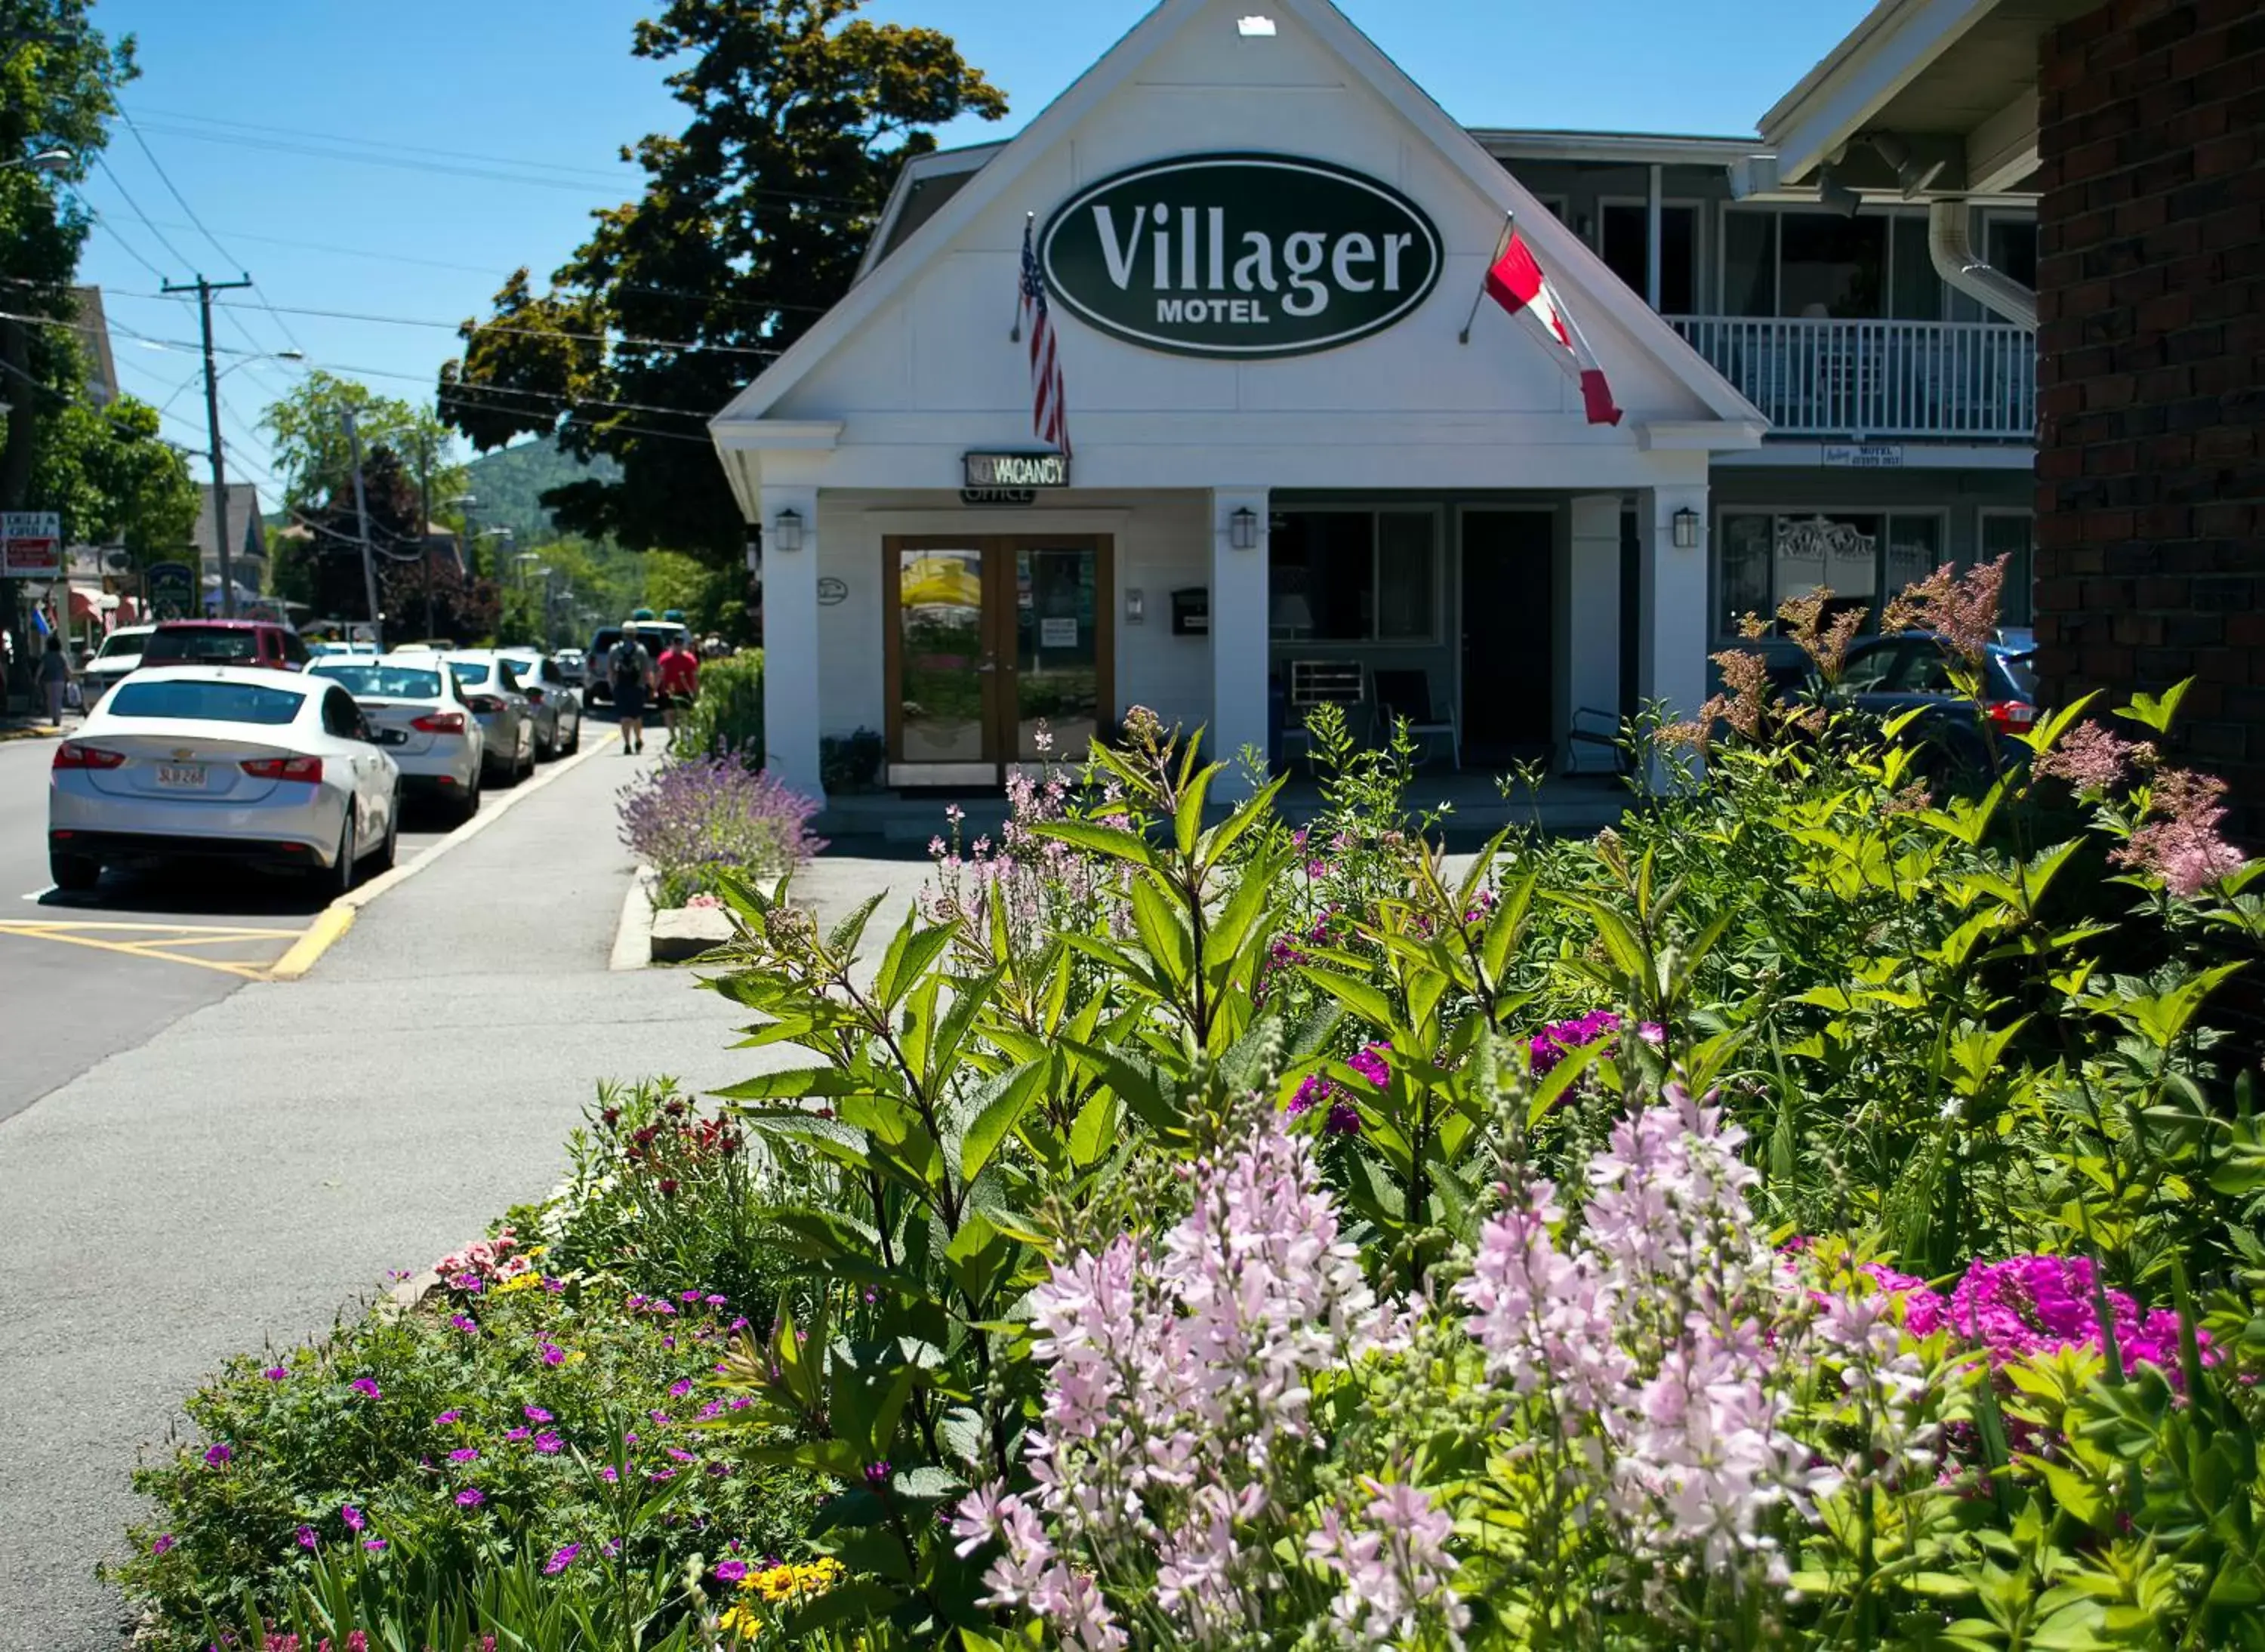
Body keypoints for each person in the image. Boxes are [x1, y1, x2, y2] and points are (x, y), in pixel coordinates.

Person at [609, 626, 655, 754]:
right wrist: (649, 686)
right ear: (635, 634)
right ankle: (638, 739)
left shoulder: (614, 650)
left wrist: (613, 685)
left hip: (621, 687)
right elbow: (646, 671)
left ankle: (627, 744)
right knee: (637, 716)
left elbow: (610, 670)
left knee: (624, 717)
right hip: (637, 687)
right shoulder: (641, 650)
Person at [655, 634, 701, 746]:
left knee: (683, 715)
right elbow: (660, 674)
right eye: (676, 645)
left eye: (680, 645)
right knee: (668, 713)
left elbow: (694, 676)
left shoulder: (690, 659)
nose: (678, 647)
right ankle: (673, 736)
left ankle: (682, 736)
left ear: (683, 646)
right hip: (668, 690)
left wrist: (696, 692)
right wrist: (655, 688)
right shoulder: (665, 658)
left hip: (684, 690)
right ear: (672, 645)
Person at [36, 633, 72, 726]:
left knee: (51, 700)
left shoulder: (46, 656)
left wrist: (36, 678)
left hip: (48, 680)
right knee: (58, 700)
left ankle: (54, 718)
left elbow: (41, 668)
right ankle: (57, 718)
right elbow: (66, 668)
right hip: (60, 681)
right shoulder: (61, 655)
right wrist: (69, 677)